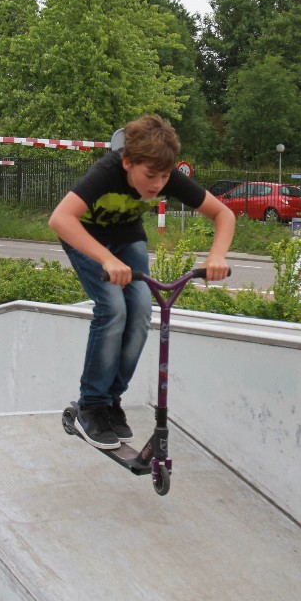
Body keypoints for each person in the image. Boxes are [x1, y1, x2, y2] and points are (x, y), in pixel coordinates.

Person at [49, 115, 234, 449]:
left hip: (126, 237)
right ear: (128, 162)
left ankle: (110, 401)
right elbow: (60, 218)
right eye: (150, 176)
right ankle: (91, 406)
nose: (157, 185)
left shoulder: (163, 172)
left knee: (140, 311)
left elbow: (224, 214)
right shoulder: (106, 172)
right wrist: (106, 259)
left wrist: (217, 255)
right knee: (113, 309)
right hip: (86, 237)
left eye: (164, 176)